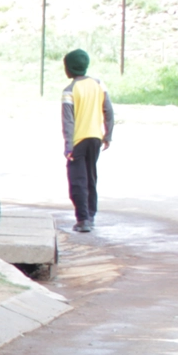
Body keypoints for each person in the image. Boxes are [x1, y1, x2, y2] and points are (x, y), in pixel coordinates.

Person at [60, 48, 114, 233]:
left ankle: (82, 219)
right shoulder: (98, 84)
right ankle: (90, 215)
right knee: (91, 177)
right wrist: (108, 135)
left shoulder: (69, 91)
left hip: (78, 141)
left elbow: (68, 122)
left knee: (77, 180)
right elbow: (108, 111)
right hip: (95, 140)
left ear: (69, 69)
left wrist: (68, 147)